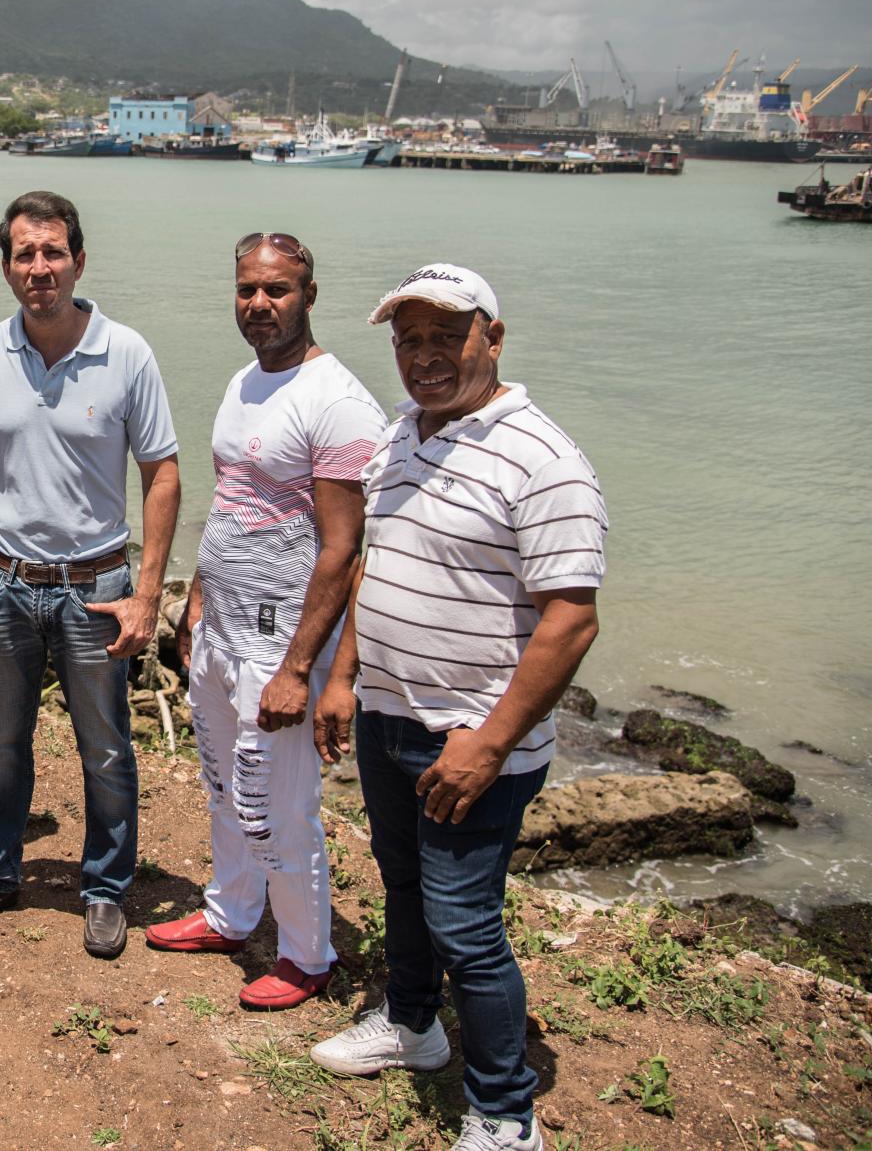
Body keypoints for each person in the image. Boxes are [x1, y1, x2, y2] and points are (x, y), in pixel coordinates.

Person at [309, 265, 606, 1151]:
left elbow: (571, 618)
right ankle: (412, 1026)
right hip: (389, 717)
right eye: (409, 338)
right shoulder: (401, 435)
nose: (426, 356)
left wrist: (491, 743)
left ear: (494, 336)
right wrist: (342, 677)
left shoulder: (544, 457)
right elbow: (378, 563)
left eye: (448, 335)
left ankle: (507, 1114)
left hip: (470, 737)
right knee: (402, 884)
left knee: (467, 925)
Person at [0, 189, 181, 960]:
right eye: (24, 254)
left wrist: (147, 592)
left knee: (105, 746)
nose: (39, 267)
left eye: (52, 252)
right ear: (7, 266)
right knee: (0, 742)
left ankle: (105, 887)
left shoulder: (128, 353)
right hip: (4, 583)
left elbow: (164, 473)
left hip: (97, 587)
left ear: (78, 259)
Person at [146, 233, 383, 1011]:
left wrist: (300, 668)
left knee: (280, 804)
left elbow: (345, 550)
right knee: (221, 783)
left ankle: (306, 952)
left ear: (310, 295)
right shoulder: (245, 381)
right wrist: (197, 607)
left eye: (277, 290)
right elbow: (233, 504)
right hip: (221, 628)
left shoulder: (338, 400)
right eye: (247, 288)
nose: (259, 304)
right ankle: (231, 912)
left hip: (282, 642)